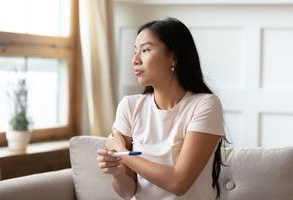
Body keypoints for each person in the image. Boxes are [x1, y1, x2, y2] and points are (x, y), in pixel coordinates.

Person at [97, 17, 226, 200]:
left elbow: (178, 183)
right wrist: (117, 172)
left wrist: (122, 152)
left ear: (173, 57)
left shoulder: (205, 105)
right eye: (135, 52)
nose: (135, 60)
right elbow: (127, 192)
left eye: (146, 50)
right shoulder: (129, 106)